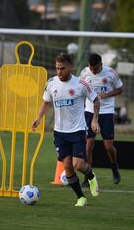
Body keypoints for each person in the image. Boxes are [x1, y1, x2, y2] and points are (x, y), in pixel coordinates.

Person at [32, 54, 100, 207]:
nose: (59, 72)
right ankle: (81, 198)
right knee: (67, 166)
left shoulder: (81, 84)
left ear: (70, 67)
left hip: (77, 131)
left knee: (78, 164)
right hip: (60, 132)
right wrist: (38, 118)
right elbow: (46, 103)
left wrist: (95, 120)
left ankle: (91, 176)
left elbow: (96, 100)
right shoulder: (51, 83)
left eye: (62, 68)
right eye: (57, 68)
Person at [80, 53, 123, 186]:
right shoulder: (84, 73)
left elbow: (120, 89)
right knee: (88, 147)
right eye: (91, 68)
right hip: (89, 112)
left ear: (101, 65)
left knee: (108, 147)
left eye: (95, 68)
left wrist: (107, 94)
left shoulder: (110, 73)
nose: (93, 71)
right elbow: (80, 89)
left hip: (106, 112)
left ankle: (114, 166)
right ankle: (88, 177)